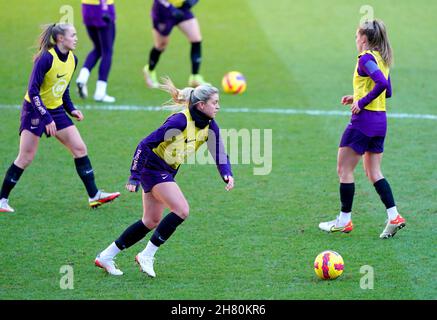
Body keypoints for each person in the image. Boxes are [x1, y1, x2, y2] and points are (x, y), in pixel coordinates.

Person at [95, 78, 234, 276]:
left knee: (151, 221)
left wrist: (227, 173)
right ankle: (147, 255)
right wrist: (134, 175)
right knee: (181, 210)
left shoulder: (210, 126)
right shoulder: (179, 121)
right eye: (215, 103)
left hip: (167, 171)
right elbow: (145, 144)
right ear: (201, 105)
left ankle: (106, 256)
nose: (218, 107)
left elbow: (219, 152)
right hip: (152, 168)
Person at [0, 23, 120, 213]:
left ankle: (94, 195)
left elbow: (63, 89)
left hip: (55, 111)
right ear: (60, 39)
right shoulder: (46, 58)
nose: (76, 38)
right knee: (26, 157)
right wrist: (46, 118)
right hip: (34, 110)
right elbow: (33, 91)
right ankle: (2, 200)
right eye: (73, 35)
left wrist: (71, 109)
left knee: (79, 148)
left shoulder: (73, 59)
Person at [318, 19, 406, 239]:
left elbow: (382, 85)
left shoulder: (366, 58)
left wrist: (362, 102)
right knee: (373, 172)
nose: (355, 40)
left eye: (357, 36)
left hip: (363, 122)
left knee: (344, 170)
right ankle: (393, 215)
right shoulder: (382, 59)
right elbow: (388, 91)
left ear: (364, 38)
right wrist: (356, 97)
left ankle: (344, 220)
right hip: (380, 122)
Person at [143, 0, 210, 88]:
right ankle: (149, 70)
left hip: (182, 9)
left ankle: (195, 77)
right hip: (163, 11)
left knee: (196, 39)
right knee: (161, 45)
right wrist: (171, 8)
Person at [76, 0, 116, 103]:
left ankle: (82, 77)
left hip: (87, 9)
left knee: (98, 48)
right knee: (107, 51)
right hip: (103, 9)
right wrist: (104, 8)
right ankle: (100, 93)